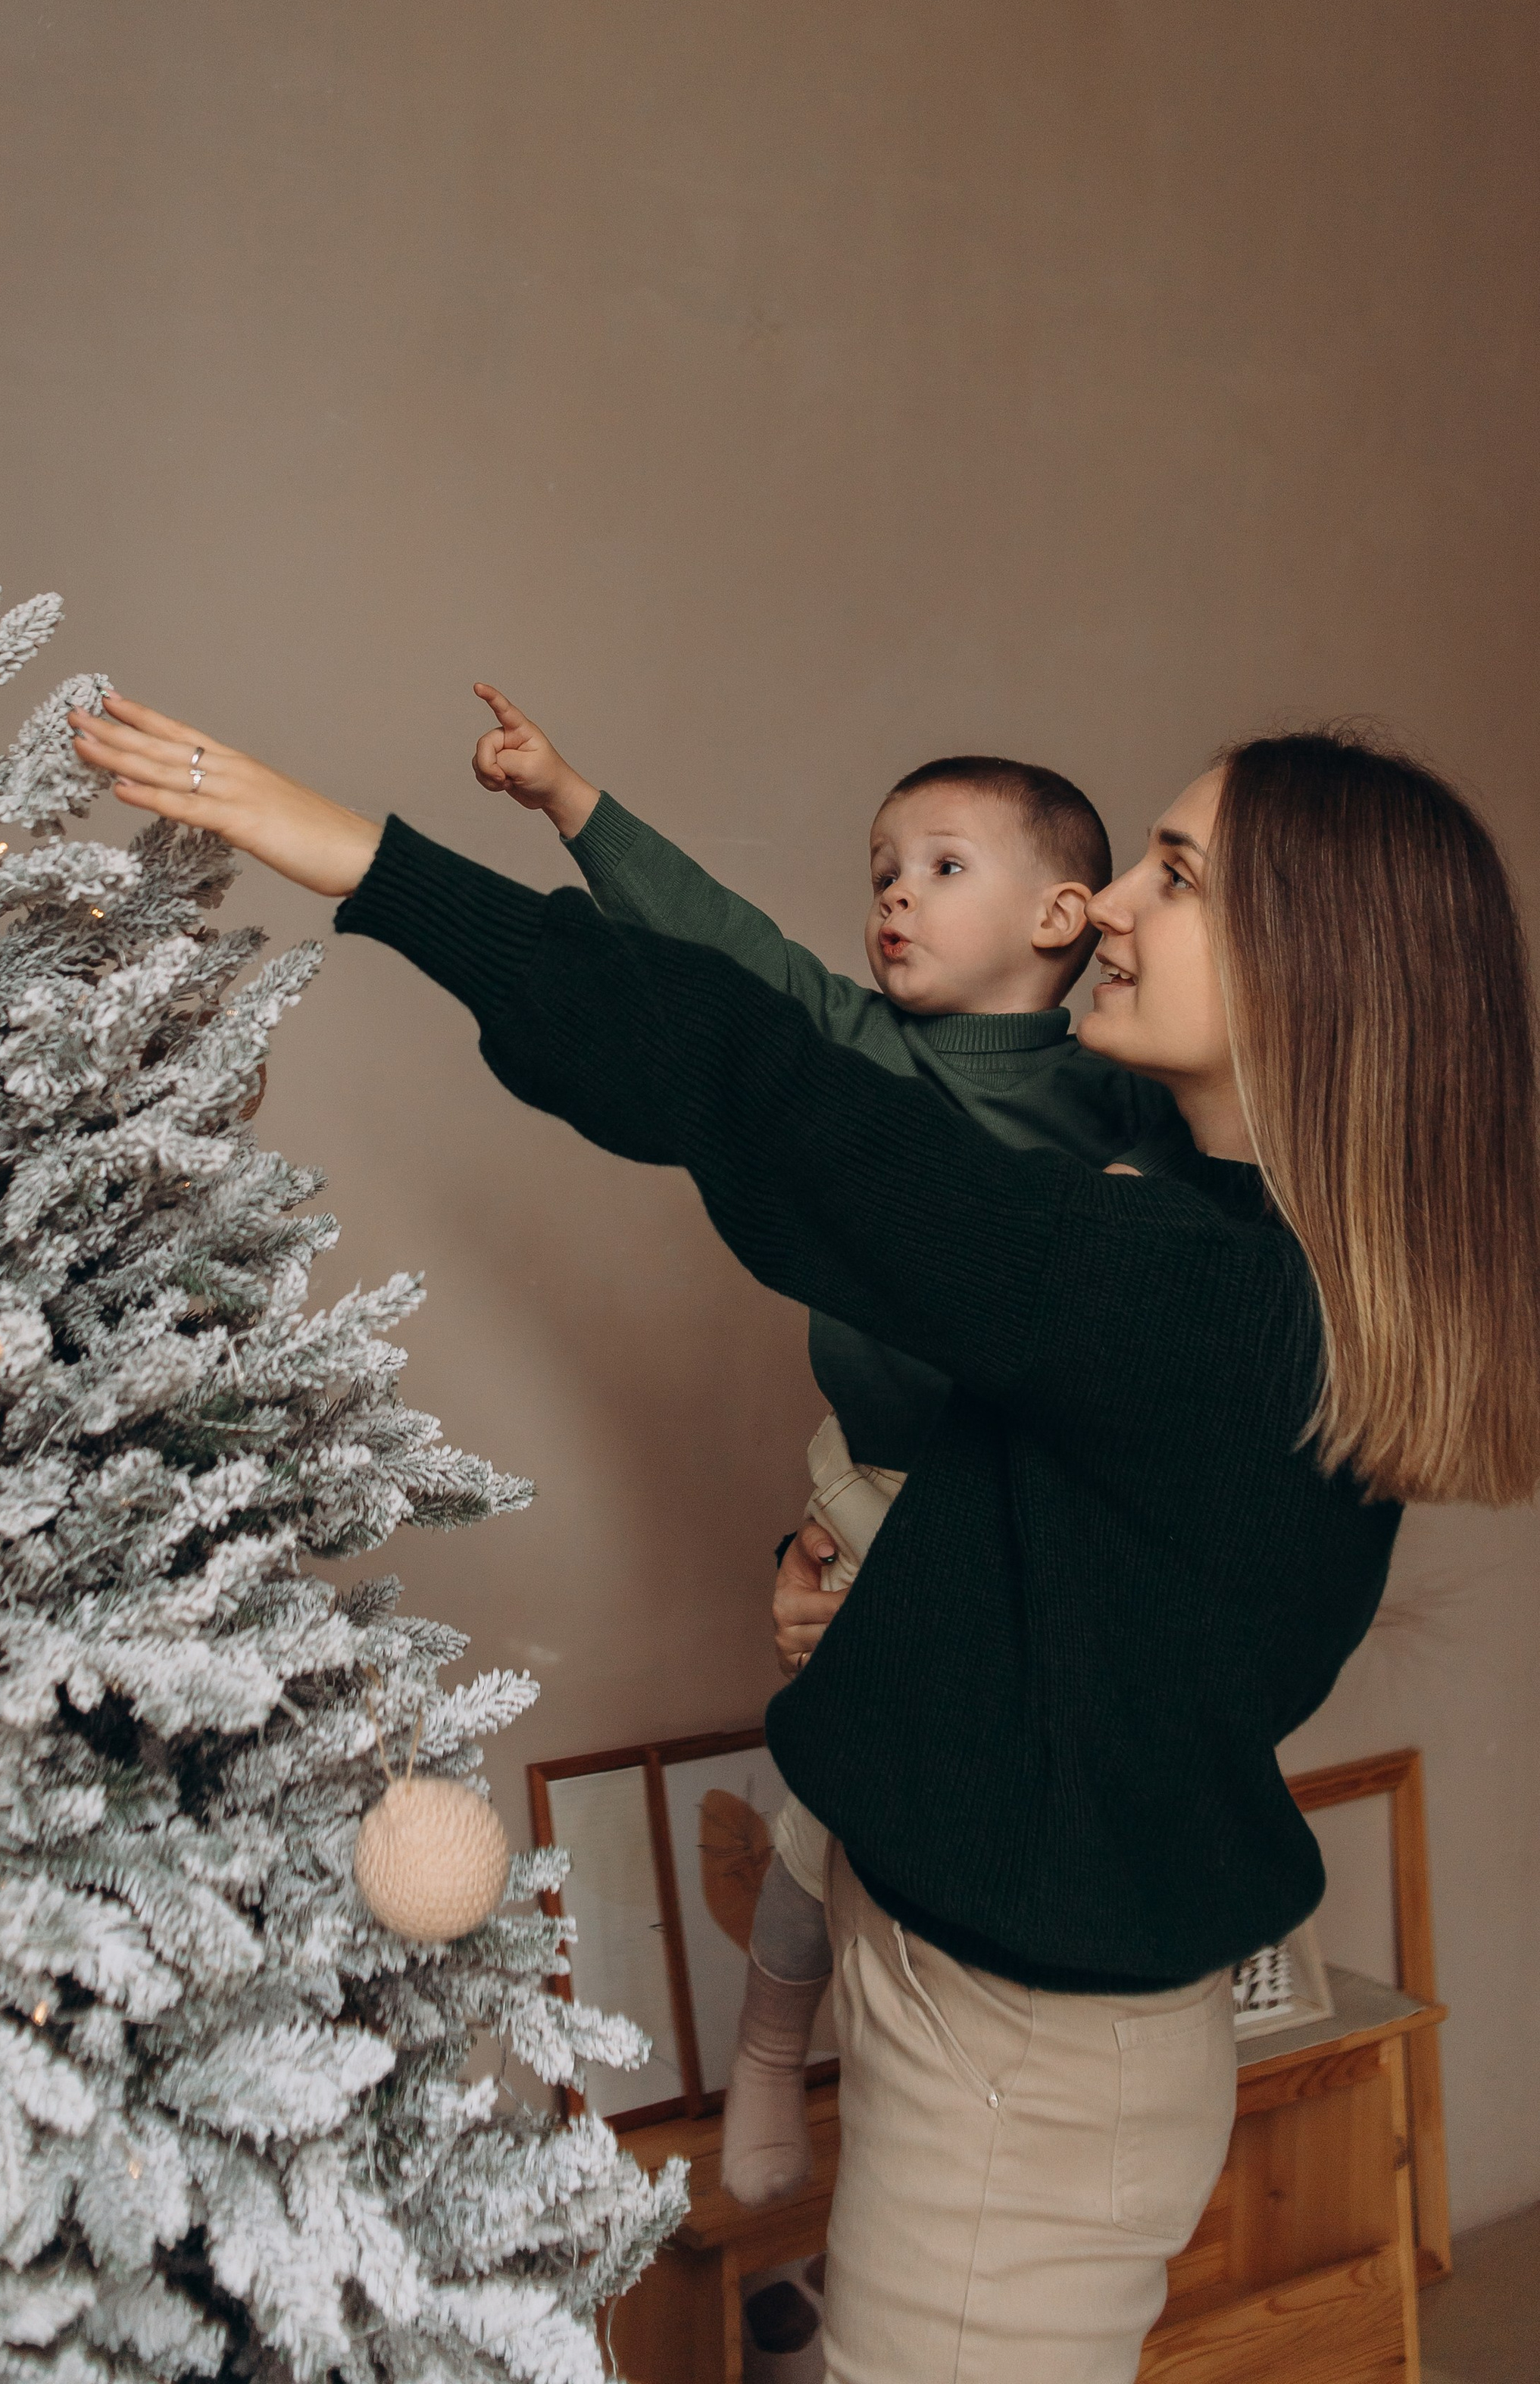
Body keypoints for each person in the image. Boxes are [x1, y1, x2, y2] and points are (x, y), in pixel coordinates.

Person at [68, 692, 1540, 2384]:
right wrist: (883, 1607)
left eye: (1177, 876)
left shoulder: (1199, 1290)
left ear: (1316, 968)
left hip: (1027, 2058)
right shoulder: (1218, 1233)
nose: (1114, 907)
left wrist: (375, 866)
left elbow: (781, 1093)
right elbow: (1090, 1559)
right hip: (996, 1998)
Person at [466, 682, 1197, 2204]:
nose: (891, 897)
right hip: (867, 1489)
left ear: (1066, 913)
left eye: (940, 867)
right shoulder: (853, 1048)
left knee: (958, 1817)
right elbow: (721, 944)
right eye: (878, 870)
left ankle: (986, 2096)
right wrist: (570, 801)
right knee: (823, 1817)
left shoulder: (1124, 1098)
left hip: (1026, 1520)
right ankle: (775, 2044)